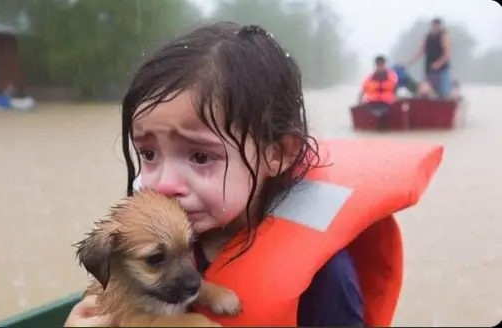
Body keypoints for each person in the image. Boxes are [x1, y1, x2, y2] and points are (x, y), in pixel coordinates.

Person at [64, 22, 441, 327]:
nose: (163, 183)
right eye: (147, 153)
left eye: (199, 156)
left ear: (277, 153)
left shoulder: (327, 277)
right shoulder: (148, 239)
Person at [405, 17, 452, 99]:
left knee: (443, 94)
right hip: (429, 69)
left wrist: (438, 64)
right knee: (425, 92)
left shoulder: (444, 36)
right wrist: (409, 62)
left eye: (438, 25)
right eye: (434, 25)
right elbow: (420, 51)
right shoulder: (427, 37)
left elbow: (447, 54)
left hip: (442, 70)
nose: (436, 27)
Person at [358, 55, 398, 130]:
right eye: (378, 64)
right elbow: (363, 89)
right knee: (373, 112)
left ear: (384, 64)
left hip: (386, 103)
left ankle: (383, 125)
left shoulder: (391, 75)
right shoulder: (370, 77)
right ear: (376, 65)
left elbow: (395, 88)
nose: (380, 66)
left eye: (381, 64)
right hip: (372, 103)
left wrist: (396, 99)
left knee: (383, 114)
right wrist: (359, 101)